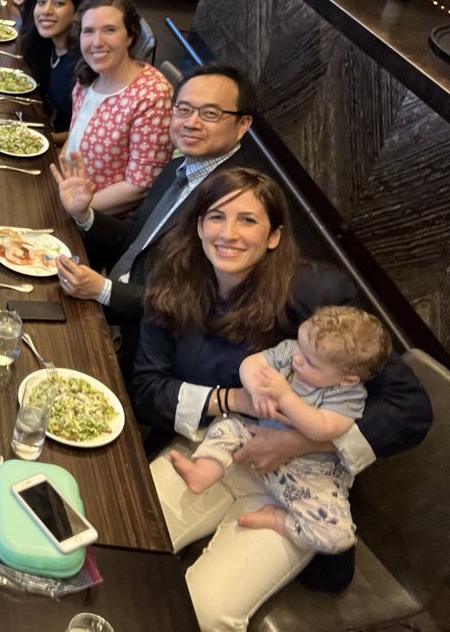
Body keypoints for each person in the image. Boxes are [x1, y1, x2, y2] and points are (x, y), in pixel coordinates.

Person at [131, 167, 432, 631]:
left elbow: (409, 408)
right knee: (124, 535)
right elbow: (150, 391)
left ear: (274, 236)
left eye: (247, 221)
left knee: (203, 609)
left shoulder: (317, 295)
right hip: (215, 451)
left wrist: (301, 440)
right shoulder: (173, 278)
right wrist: (236, 400)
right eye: (216, 216)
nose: (228, 233)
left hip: (300, 492)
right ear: (198, 224)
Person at [52, 64, 257, 369]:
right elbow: (134, 235)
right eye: (184, 109)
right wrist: (84, 214)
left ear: (242, 125)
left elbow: (196, 301)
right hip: (106, 301)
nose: (192, 123)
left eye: (210, 114)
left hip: (143, 344)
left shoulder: (238, 200)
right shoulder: (182, 166)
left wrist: (103, 290)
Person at [169, 305, 391, 555]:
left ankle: (279, 521)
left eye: (309, 362)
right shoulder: (292, 352)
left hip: (310, 474)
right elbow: (251, 364)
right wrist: (254, 385)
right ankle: (204, 471)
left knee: (338, 538)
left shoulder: (347, 395)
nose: (297, 359)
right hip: (257, 443)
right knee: (228, 426)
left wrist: (285, 396)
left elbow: (322, 429)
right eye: (300, 346)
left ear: (347, 379)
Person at [62, 0, 173, 216]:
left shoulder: (152, 95)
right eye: (89, 31)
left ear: (130, 37)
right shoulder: (88, 76)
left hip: (99, 218)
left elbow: (138, 187)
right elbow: (75, 135)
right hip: (68, 192)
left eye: (109, 30)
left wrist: (73, 209)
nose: (97, 42)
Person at [19, 0, 85, 138]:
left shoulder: (84, 62)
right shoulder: (46, 45)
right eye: (41, 2)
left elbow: (89, 132)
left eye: (59, 3)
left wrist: (46, 139)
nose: (46, 10)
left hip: (68, 149)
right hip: (49, 128)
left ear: (78, 10)